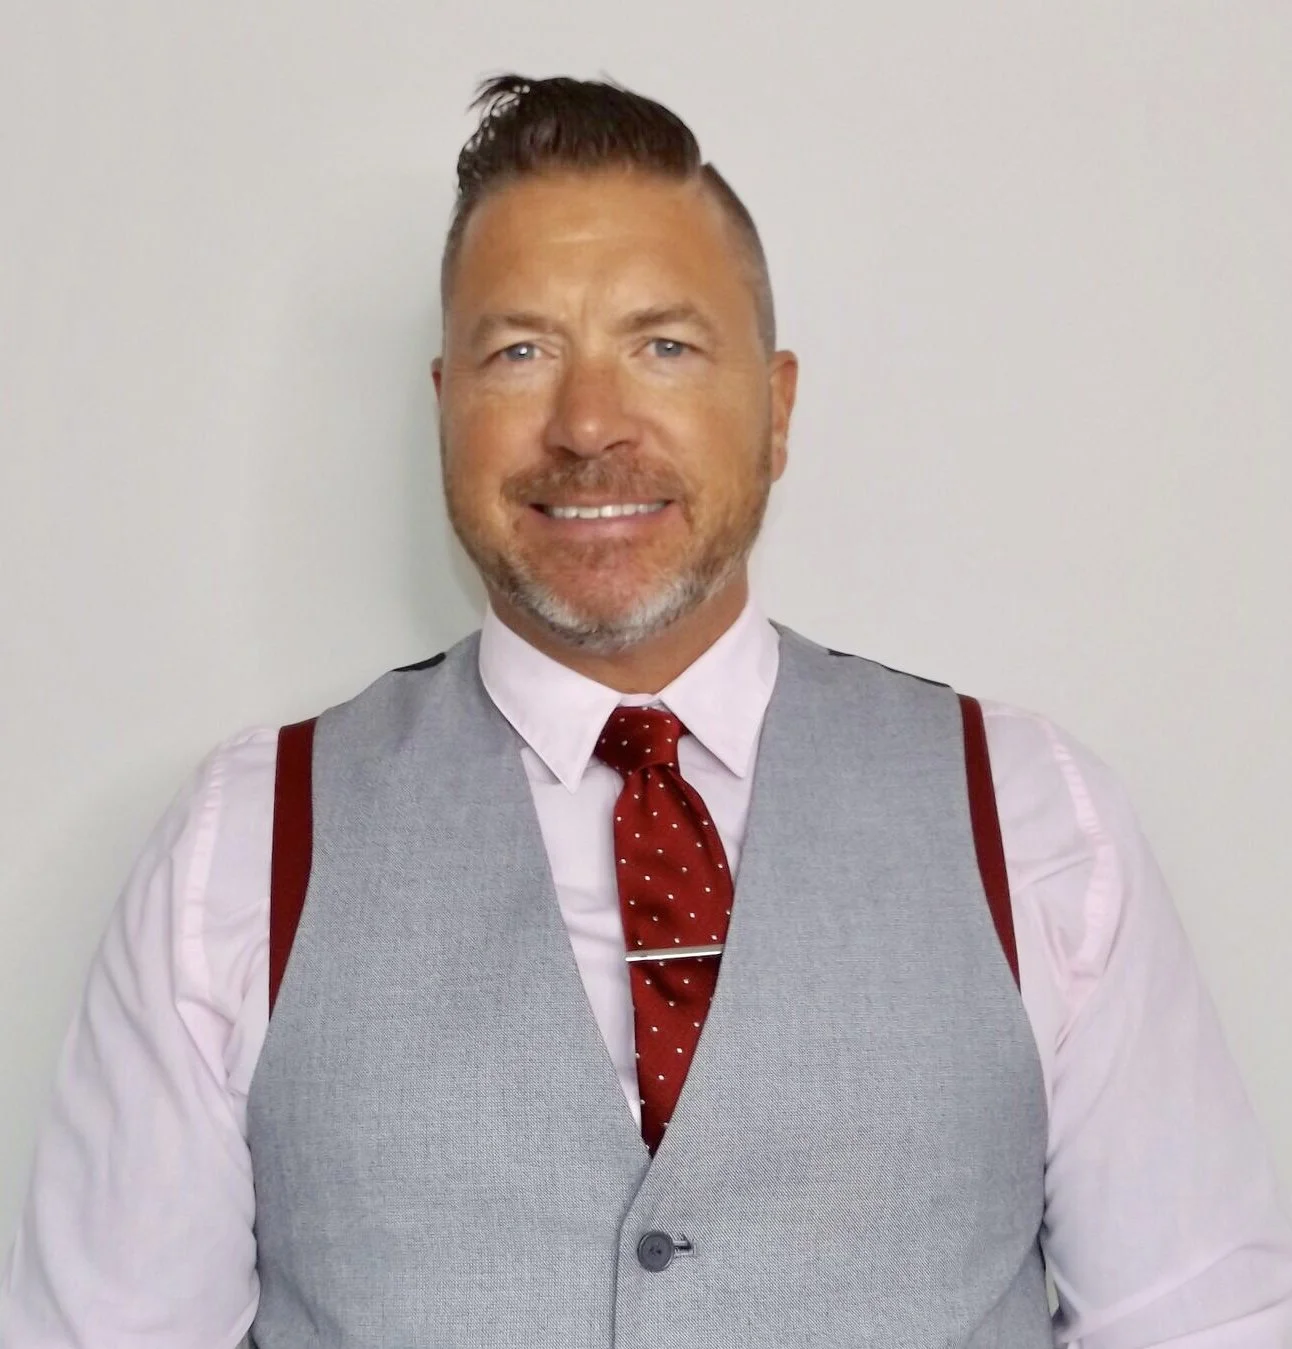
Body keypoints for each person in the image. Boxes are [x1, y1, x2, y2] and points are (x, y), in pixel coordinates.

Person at [2, 73, 1290, 1349]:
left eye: (664, 346)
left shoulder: (1030, 816)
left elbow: (1204, 1325)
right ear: (445, 409)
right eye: (520, 353)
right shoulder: (237, 849)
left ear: (776, 410)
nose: (588, 425)